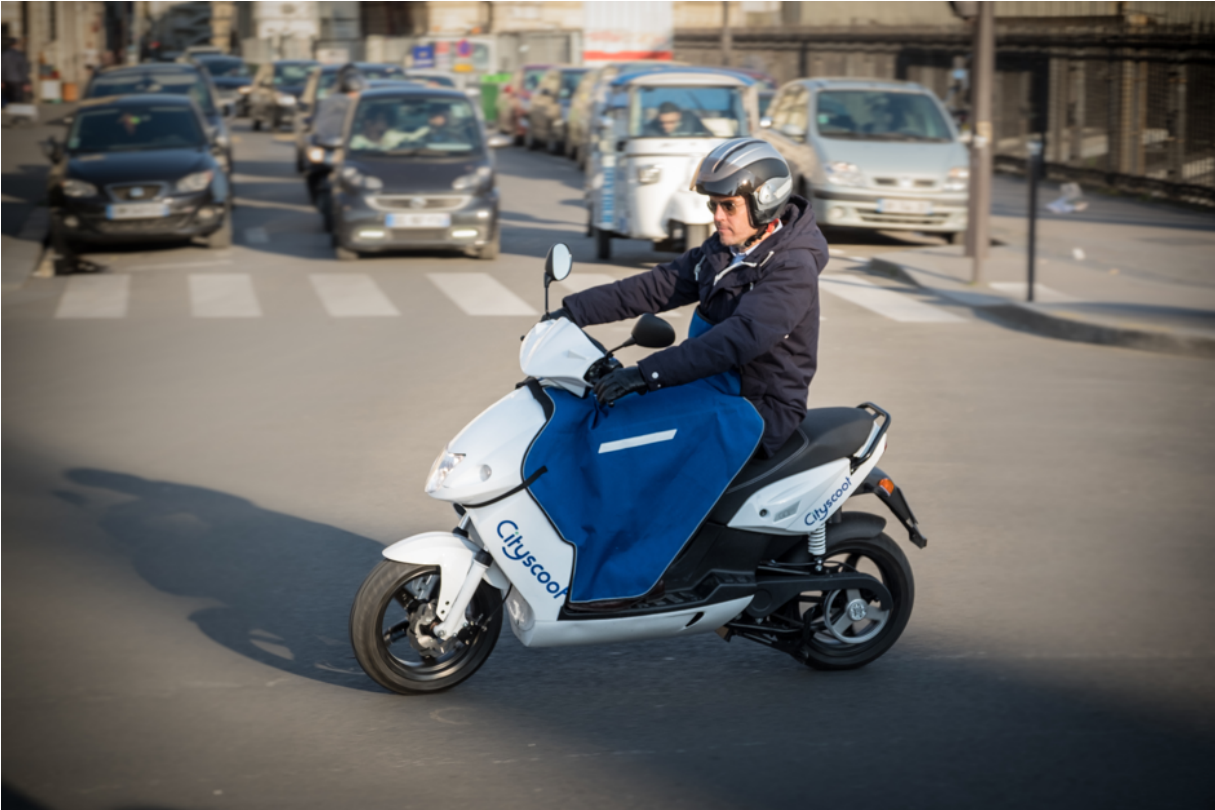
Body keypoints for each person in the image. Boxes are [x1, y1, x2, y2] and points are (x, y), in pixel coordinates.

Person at [552, 138, 829, 458]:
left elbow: (739, 338)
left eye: (729, 206)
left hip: (757, 406)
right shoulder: (727, 250)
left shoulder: (792, 267)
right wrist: (571, 312)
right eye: (713, 205)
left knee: (632, 444)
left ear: (764, 202)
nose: (717, 216)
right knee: (608, 415)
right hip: (713, 383)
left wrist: (646, 374)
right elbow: (655, 286)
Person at [642, 100, 710, 138]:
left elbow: (709, 137)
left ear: (679, 115)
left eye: (671, 122)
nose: (666, 126)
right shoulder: (650, 130)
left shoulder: (693, 123)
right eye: (662, 122)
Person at [2, 37, 31, 106]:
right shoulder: (20, 55)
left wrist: (1, 80)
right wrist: (26, 83)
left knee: (8, 98)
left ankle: (8, 113)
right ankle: (15, 113)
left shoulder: (3, 55)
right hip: (18, 81)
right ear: (16, 45)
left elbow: (2, 68)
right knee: (17, 99)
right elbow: (23, 70)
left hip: (7, 80)